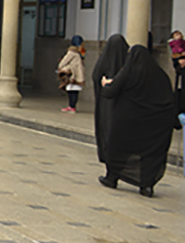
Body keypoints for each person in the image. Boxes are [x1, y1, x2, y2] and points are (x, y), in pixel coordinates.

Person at [98, 45, 178, 197]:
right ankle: (147, 185)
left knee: (118, 148)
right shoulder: (161, 75)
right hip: (156, 125)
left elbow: (110, 92)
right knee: (150, 154)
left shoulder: (129, 73)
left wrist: (105, 84)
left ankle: (112, 177)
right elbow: (170, 99)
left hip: (129, 122)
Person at [92, 34, 129, 166]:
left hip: (105, 107)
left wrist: (106, 85)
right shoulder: (127, 66)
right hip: (123, 109)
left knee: (106, 132)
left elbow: (96, 76)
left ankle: (109, 162)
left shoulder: (103, 63)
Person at [56, 35, 86, 113]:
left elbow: (64, 62)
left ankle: (71, 106)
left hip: (72, 75)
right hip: (78, 75)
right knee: (75, 92)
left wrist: (60, 68)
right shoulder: (81, 52)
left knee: (71, 91)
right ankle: (73, 106)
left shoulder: (72, 52)